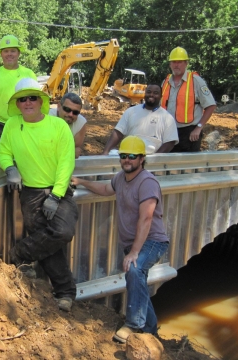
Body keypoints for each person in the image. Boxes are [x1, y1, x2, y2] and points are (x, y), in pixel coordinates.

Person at [72, 136, 170, 343]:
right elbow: (105, 189)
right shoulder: (120, 178)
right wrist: (81, 182)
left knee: (134, 270)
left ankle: (134, 325)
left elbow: (146, 218)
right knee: (138, 280)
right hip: (134, 243)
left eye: (132, 156)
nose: (127, 160)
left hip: (152, 241)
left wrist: (134, 252)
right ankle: (151, 332)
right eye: (124, 156)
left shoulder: (147, 182)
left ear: (141, 159)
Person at [0, 78, 78, 312]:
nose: (28, 102)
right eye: (23, 99)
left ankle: (18, 254)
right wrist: (9, 168)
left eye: (33, 97)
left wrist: (55, 195)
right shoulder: (12, 125)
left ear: (41, 101)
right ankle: (65, 293)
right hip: (29, 194)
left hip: (58, 190)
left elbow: (66, 162)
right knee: (48, 241)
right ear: (18, 104)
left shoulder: (58, 126)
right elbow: (3, 152)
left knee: (62, 231)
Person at [0, 35, 37, 148]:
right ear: (1, 54)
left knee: (21, 158)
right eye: (6, 51)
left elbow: (36, 100)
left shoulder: (29, 74)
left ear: (18, 53)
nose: (9, 54)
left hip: (22, 123)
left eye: (13, 51)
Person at [161, 47, 217, 152]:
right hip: (168, 133)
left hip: (189, 134)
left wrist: (199, 127)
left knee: (187, 165)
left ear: (186, 63)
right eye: (174, 62)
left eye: (180, 62)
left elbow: (211, 105)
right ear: (170, 64)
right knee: (168, 165)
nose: (176, 65)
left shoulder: (196, 81)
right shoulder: (165, 82)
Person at [102, 85, 178, 155]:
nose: (151, 95)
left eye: (155, 93)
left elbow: (169, 142)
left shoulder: (167, 117)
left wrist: (155, 159)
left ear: (160, 96)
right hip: (129, 157)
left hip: (150, 158)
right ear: (145, 94)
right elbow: (118, 132)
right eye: (149, 92)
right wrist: (105, 151)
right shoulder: (131, 111)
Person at [49, 92, 87, 158]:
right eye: (67, 109)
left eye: (75, 112)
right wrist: (70, 150)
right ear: (58, 107)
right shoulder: (47, 117)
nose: (70, 114)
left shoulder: (81, 123)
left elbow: (76, 149)